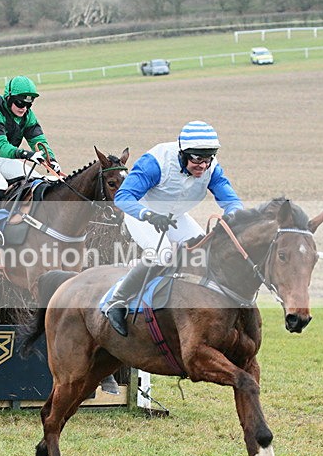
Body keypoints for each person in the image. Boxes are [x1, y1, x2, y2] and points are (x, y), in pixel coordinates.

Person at [102, 120, 244, 336]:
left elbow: (231, 201)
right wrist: (149, 215)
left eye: (208, 158)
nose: (203, 166)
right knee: (163, 254)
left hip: (175, 217)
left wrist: (232, 216)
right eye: (196, 158)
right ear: (182, 153)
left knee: (205, 253)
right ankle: (116, 301)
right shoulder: (155, 162)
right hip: (143, 213)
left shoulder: (212, 168)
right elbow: (123, 197)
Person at [0, 75, 62, 247]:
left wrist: (50, 159)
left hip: (4, 159)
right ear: (9, 98)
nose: (24, 108)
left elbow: (38, 140)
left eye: (29, 104)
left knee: (37, 180)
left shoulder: (27, 115)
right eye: (20, 103)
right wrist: (26, 154)